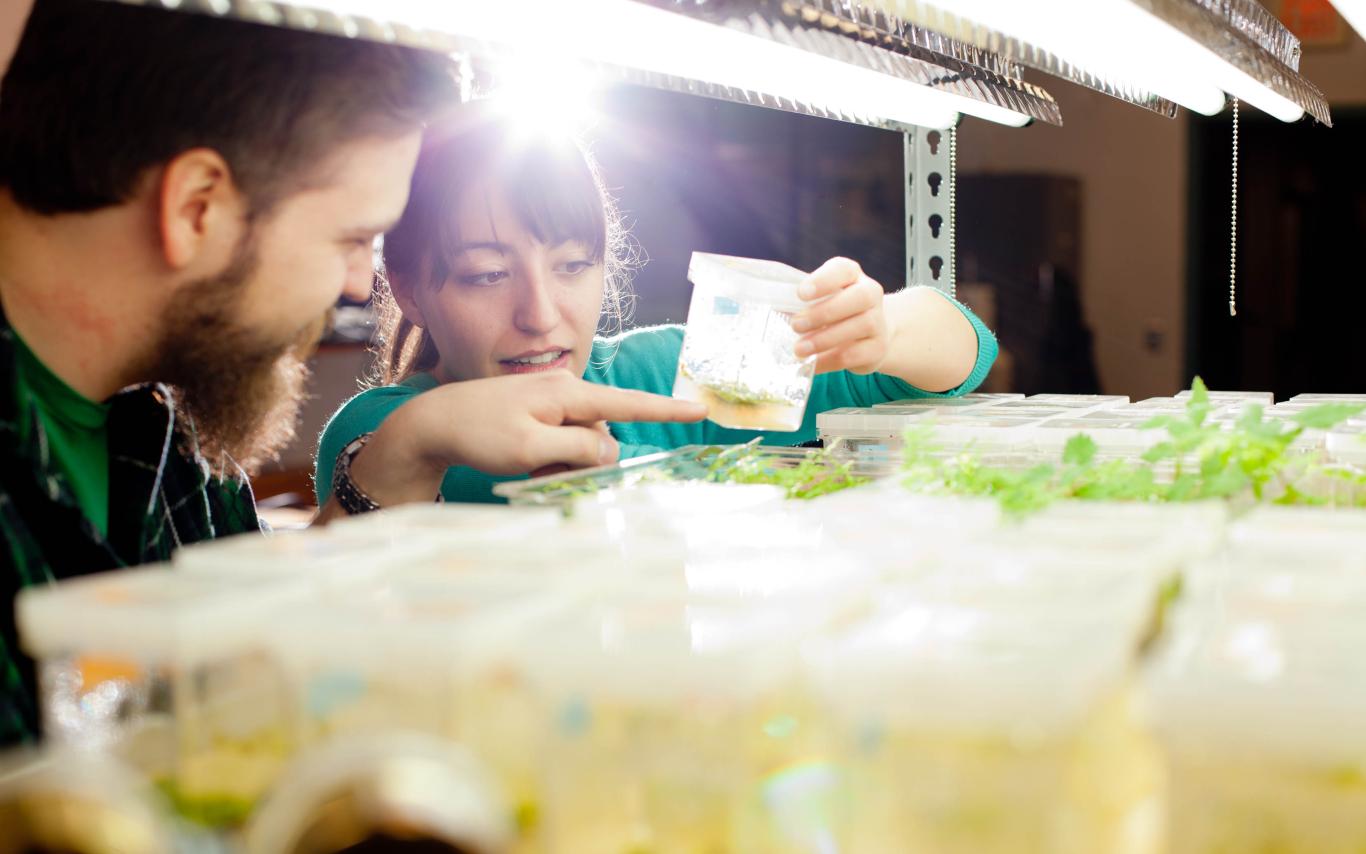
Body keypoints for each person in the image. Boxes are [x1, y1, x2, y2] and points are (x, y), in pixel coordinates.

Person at [0, 0, 704, 746]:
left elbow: (257, 697)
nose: (349, 285)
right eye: (352, 239)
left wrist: (404, 454)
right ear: (196, 208)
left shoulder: (173, 430)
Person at [316, 110, 999, 506]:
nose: (540, 313)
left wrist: (878, 330)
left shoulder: (673, 373)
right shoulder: (389, 428)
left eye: (573, 265)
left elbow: (963, 354)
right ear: (407, 288)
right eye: (486, 275)